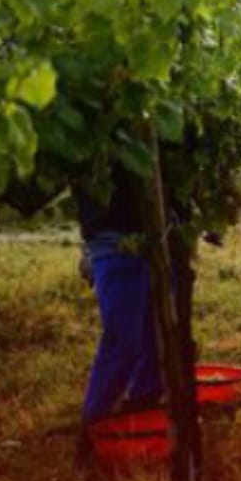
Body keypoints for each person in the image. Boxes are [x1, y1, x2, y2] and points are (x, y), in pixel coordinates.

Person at [73, 165, 166, 465]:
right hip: (114, 239)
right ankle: (92, 434)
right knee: (123, 343)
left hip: (155, 235)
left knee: (156, 334)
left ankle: (143, 410)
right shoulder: (101, 146)